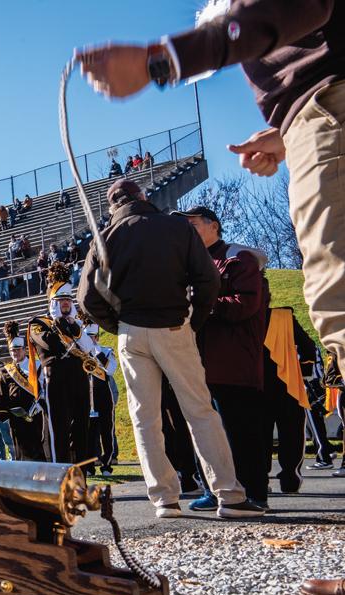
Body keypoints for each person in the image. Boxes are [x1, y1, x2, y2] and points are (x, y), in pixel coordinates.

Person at [76, 3, 345, 409]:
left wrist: (162, 61)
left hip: (328, 107)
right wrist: (286, 132)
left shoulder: (217, 254)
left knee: (339, 301)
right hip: (319, 111)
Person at [77, 178, 262, 519]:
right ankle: (229, 495)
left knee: (145, 419)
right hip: (174, 324)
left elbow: (86, 297)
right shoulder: (175, 228)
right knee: (200, 411)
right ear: (143, 197)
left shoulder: (106, 237)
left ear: (113, 206)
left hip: (131, 330)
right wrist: (196, 319)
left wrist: (116, 325)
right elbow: (208, 279)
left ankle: (165, 499)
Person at [176, 206, 270, 511]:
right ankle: (212, 488)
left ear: (213, 225)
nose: (187, 230)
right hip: (199, 360)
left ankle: (254, 491)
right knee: (204, 429)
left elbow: (246, 303)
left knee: (240, 430)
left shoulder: (238, 257)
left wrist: (203, 304)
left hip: (233, 361)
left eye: (192, 223)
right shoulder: (191, 265)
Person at [27, 262, 96, 465]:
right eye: (61, 301)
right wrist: (61, 324)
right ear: (53, 303)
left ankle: (81, 477)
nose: (65, 304)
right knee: (59, 432)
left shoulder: (75, 325)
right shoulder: (38, 324)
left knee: (82, 430)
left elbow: (89, 349)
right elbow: (50, 343)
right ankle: (61, 476)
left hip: (79, 380)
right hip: (55, 381)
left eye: (68, 300)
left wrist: (74, 327)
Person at [261, 306, 315, 500]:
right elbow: (309, 347)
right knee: (291, 433)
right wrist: (303, 373)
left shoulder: (243, 315)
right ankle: (290, 480)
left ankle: (260, 481)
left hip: (255, 386)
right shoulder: (283, 317)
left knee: (259, 436)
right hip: (287, 383)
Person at [0, 320, 46, 461]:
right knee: (19, 449)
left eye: (18, 349)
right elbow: (2, 396)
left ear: (25, 349)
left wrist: (40, 404)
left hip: (35, 414)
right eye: (12, 350)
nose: (15, 353)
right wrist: (3, 414)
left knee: (37, 446)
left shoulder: (37, 366)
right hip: (16, 417)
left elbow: (44, 388)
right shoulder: (6, 371)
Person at [85, 322, 119, 475]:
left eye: (92, 337)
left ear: (97, 337)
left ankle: (106, 465)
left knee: (106, 432)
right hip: (86, 398)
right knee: (88, 435)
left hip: (104, 398)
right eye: (87, 337)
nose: (90, 340)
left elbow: (111, 370)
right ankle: (90, 466)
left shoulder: (106, 352)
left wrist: (97, 353)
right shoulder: (80, 355)